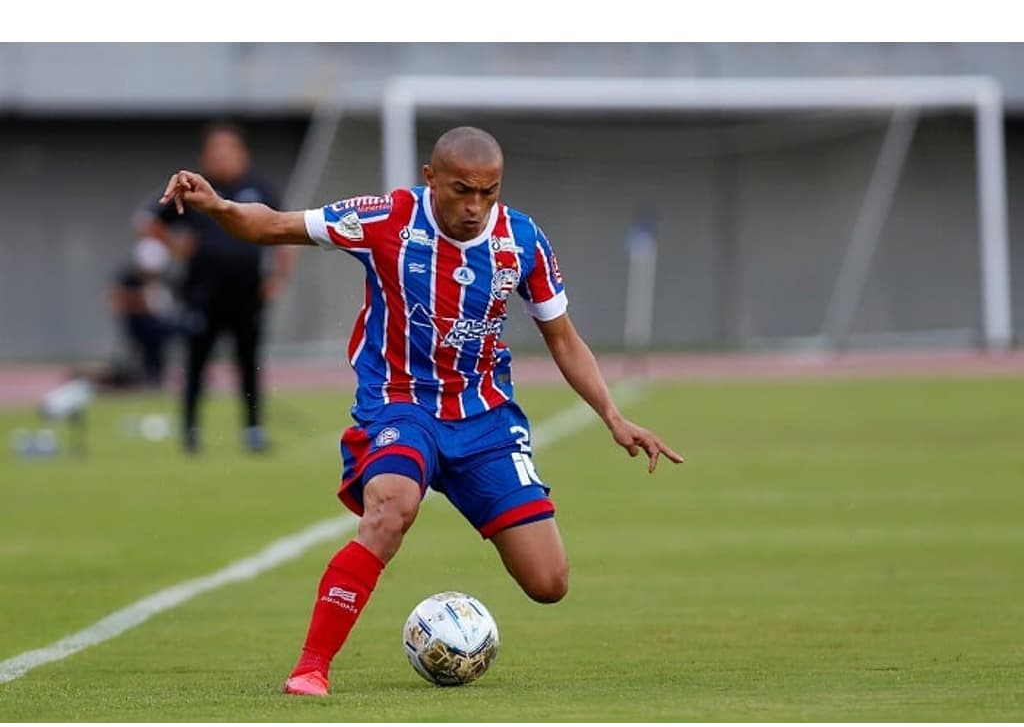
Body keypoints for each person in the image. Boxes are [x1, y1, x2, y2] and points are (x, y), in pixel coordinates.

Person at [158, 125, 684, 696]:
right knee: (389, 509)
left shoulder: (522, 240)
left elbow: (562, 338)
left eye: (489, 192)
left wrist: (611, 414)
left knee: (549, 581)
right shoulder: (387, 218)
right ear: (432, 179)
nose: (475, 206)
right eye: (462, 190)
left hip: (485, 419)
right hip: (401, 404)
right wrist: (218, 207)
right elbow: (275, 225)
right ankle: (311, 668)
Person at [139, 120, 296, 453]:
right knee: (196, 363)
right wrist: (175, 245)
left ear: (243, 154)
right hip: (203, 294)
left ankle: (253, 430)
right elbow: (146, 221)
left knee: (249, 363)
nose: (224, 157)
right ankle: (191, 430)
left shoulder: (259, 189)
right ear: (205, 156)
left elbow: (284, 232)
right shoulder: (194, 190)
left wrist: (277, 278)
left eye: (230, 150)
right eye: (217, 151)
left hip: (247, 294)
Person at [106, 236, 178, 389]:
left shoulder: (162, 278)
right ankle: (150, 375)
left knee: (182, 328)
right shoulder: (128, 278)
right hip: (137, 324)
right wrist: (142, 301)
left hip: (159, 324)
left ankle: (158, 375)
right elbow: (114, 301)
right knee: (153, 334)